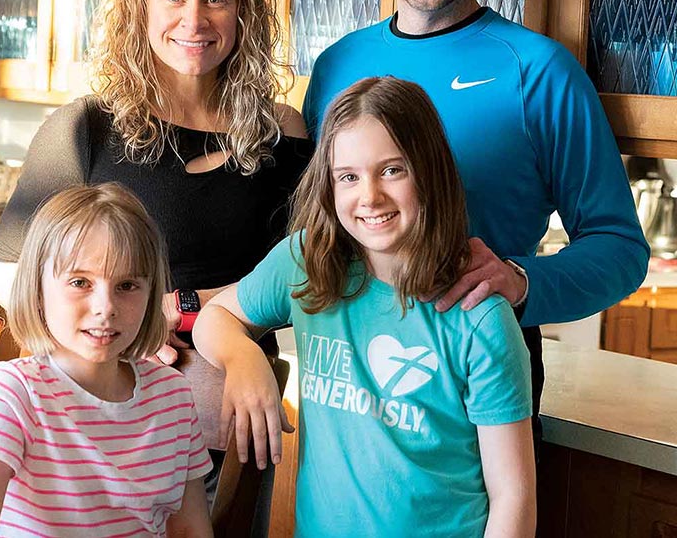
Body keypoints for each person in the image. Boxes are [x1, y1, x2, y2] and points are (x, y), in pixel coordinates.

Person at [302, 0, 650, 442]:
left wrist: (521, 282)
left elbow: (621, 248)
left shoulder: (538, 72)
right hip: (347, 383)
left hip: (481, 382)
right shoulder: (335, 67)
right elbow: (312, 225)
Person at [193, 77, 536, 538]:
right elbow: (217, 318)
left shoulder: (480, 319)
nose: (369, 196)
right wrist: (243, 357)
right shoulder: (305, 263)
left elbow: (514, 501)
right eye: (348, 177)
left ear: (430, 172)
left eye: (392, 170)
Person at [0, 0, 310, 364]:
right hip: (107, 401)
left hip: (235, 411)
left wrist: (182, 309)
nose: (193, 20)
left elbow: (309, 271)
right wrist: (124, 325)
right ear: (142, 4)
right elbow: (6, 272)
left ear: (243, 10)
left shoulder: (281, 131)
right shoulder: (86, 129)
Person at [0, 183, 213, 538]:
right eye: (80, 282)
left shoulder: (173, 396)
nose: (105, 307)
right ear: (37, 289)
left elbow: (191, 530)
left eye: (127, 285)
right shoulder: (12, 392)